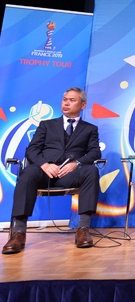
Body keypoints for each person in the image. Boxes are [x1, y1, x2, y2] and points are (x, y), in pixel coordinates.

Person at [2, 87, 102, 255]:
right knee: (27, 172)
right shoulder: (46, 125)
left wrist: (76, 163)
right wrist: (44, 165)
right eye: (65, 99)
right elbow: (32, 150)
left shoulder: (90, 129)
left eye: (72, 100)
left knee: (91, 171)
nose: (66, 103)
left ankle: (83, 229)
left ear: (83, 105)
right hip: (44, 173)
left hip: (70, 174)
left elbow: (94, 153)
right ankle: (18, 233)